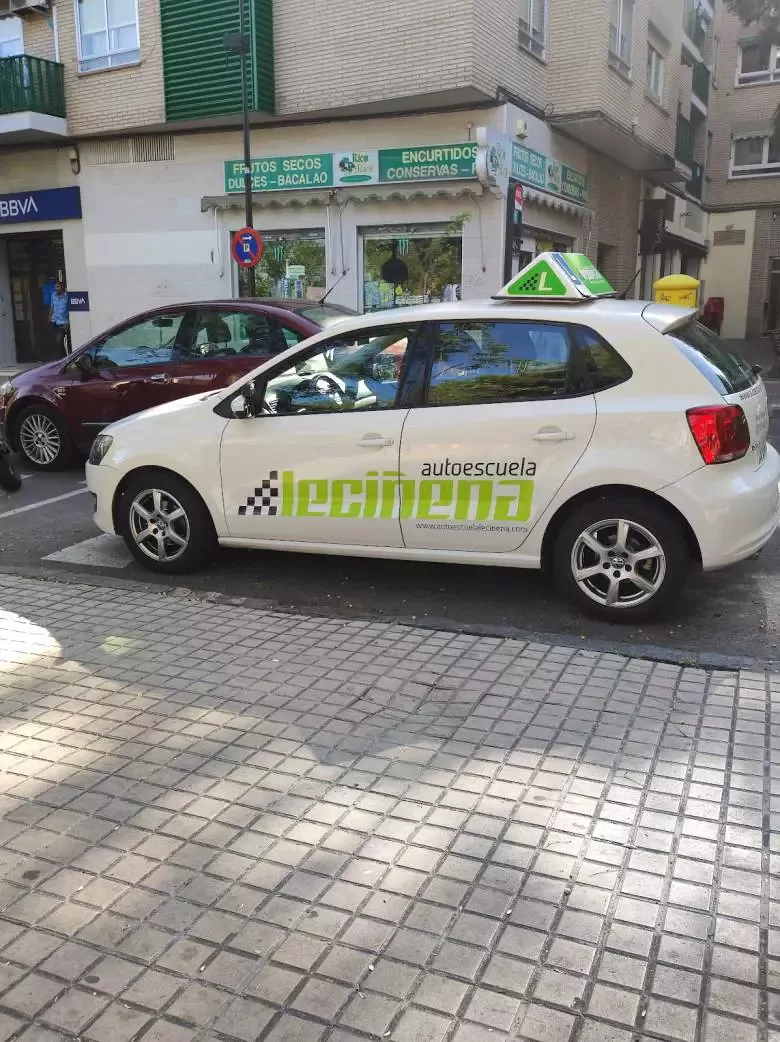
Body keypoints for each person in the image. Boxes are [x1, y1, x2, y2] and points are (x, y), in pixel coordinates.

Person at [49, 280, 70, 357]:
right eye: (55, 287)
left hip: (64, 322)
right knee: (57, 342)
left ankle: (63, 357)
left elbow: (70, 309)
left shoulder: (67, 296)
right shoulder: (53, 295)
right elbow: (52, 307)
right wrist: (49, 317)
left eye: (58, 287)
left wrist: (68, 322)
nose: (56, 288)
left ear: (62, 287)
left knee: (59, 340)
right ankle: (63, 358)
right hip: (54, 321)